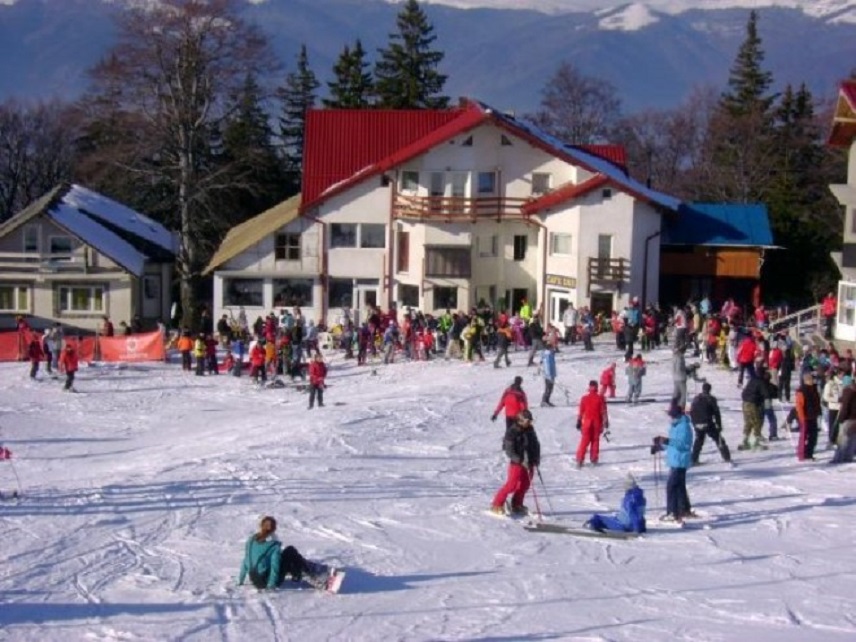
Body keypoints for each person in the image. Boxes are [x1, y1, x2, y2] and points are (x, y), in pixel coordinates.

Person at [237, 516, 331, 591]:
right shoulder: (273, 545)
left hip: (255, 580)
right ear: (274, 528)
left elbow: (246, 560)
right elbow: (275, 566)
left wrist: (240, 580)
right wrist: (271, 585)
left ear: (260, 526)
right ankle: (313, 577)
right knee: (290, 551)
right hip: (266, 582)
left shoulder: (251, 541)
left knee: (289, 556)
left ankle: (307, 568)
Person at [490, 409, 540, 516]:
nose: (530, 423)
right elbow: (509, 451)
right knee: (512, 485)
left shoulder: (530, 430)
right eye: (528, 421)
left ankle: (517, 504)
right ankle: (497, 504)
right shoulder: (512, 432)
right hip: (517, 463)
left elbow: (536, 444)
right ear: (521, 420)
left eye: (530, 421)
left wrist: (536, 458)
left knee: (525, 485)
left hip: (529, 462)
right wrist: (520, 460)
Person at [655, 399, 694, 523]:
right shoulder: (675, 426)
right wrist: (660, 446)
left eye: (672, 415)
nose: (671, 418)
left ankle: (673, 513)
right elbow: (673, 444)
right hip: (675, 460)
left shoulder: (684, 427)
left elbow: (684, 445)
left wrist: (667, 441)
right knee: (679, 487)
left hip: (680, 461)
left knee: (672, 487)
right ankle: (683, 509)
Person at [689, 382, 731, 465]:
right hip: (707, 423)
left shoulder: (696, 398)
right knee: (718, 438)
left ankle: (694, 459)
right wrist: (719, 425)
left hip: (697, 423)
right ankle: (727, 457)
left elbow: (692, 412)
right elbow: (716, 413)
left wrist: (694, 424)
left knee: (699, 440)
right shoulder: (711, 399)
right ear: (709, 390)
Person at [575, 380, 609, 468]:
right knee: (595, 441)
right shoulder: (600, 398)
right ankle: (594, 459)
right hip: (597, 423)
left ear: (589, 387)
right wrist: (606, 422)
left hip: (587, 423)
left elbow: (581, 411)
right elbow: (603, 411)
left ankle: (580, 459)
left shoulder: (584, 398)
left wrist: (579, 421)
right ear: (597, 387)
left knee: (584, 442)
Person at [795, 371, 822, 461]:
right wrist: (802, 417)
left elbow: (817, 401)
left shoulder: (814, 389)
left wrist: (819, 411)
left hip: (813, 416)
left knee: (813, 436)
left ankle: (809, 453)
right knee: (804, 436)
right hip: (805, 417)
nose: (813, 381)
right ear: (806, 380)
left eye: (813, 379)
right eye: (811, 379)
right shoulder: (801, 390)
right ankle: (802, 454)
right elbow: (799, 405)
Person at [739, 367, 767, 451]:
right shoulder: (761, 382)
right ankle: (756, 442)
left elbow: (744, 392)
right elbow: (765, 393)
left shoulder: (752, 380)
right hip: (753, 404)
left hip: (745, 403)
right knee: (757, 422)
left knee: (748, 422)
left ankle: (745, 440)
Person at [831, 375, 856, 463]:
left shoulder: (847, 391)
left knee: (842, 439)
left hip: (848, 418)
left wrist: (840, 419)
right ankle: (849, 456)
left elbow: (845, 406)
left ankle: (839, 458)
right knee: (852, 439)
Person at [822, 369, 843, 449]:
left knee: (840, 426)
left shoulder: (844, 383)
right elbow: (826, 397)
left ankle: (838, 440)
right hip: (833, 407)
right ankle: (831, 441)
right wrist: (837, 399)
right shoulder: (830, 384)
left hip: (842, 407)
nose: (843, 376)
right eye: (842, 374)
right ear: (838, 374)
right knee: (833, 425)